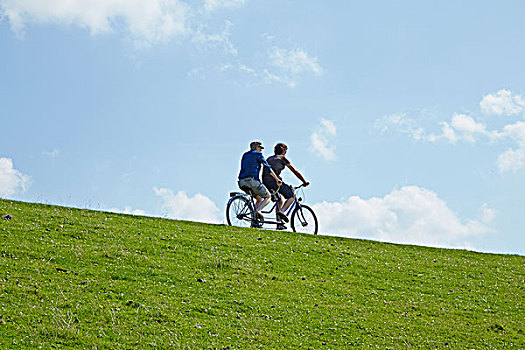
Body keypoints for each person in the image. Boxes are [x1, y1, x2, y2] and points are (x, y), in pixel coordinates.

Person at [262, 143, 309, 228]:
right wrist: (304, 181)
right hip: (276, 182)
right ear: (283, 151)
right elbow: (295, 171)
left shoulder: (269, 158)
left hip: (265, 182)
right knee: (291, 196)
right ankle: (282, 212)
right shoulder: (282, 158)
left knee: (279, 200)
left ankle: (279, 224)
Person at [238, 141, 282, 224]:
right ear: (257, 148)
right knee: (268, 196)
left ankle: (255, 221)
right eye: (260, 148)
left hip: (241, 182)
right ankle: (258, 211)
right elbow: (267, 167)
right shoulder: (258, 154)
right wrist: (277, 179)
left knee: (258, 198)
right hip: (252, 181)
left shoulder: (245, 154)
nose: (261, 150)